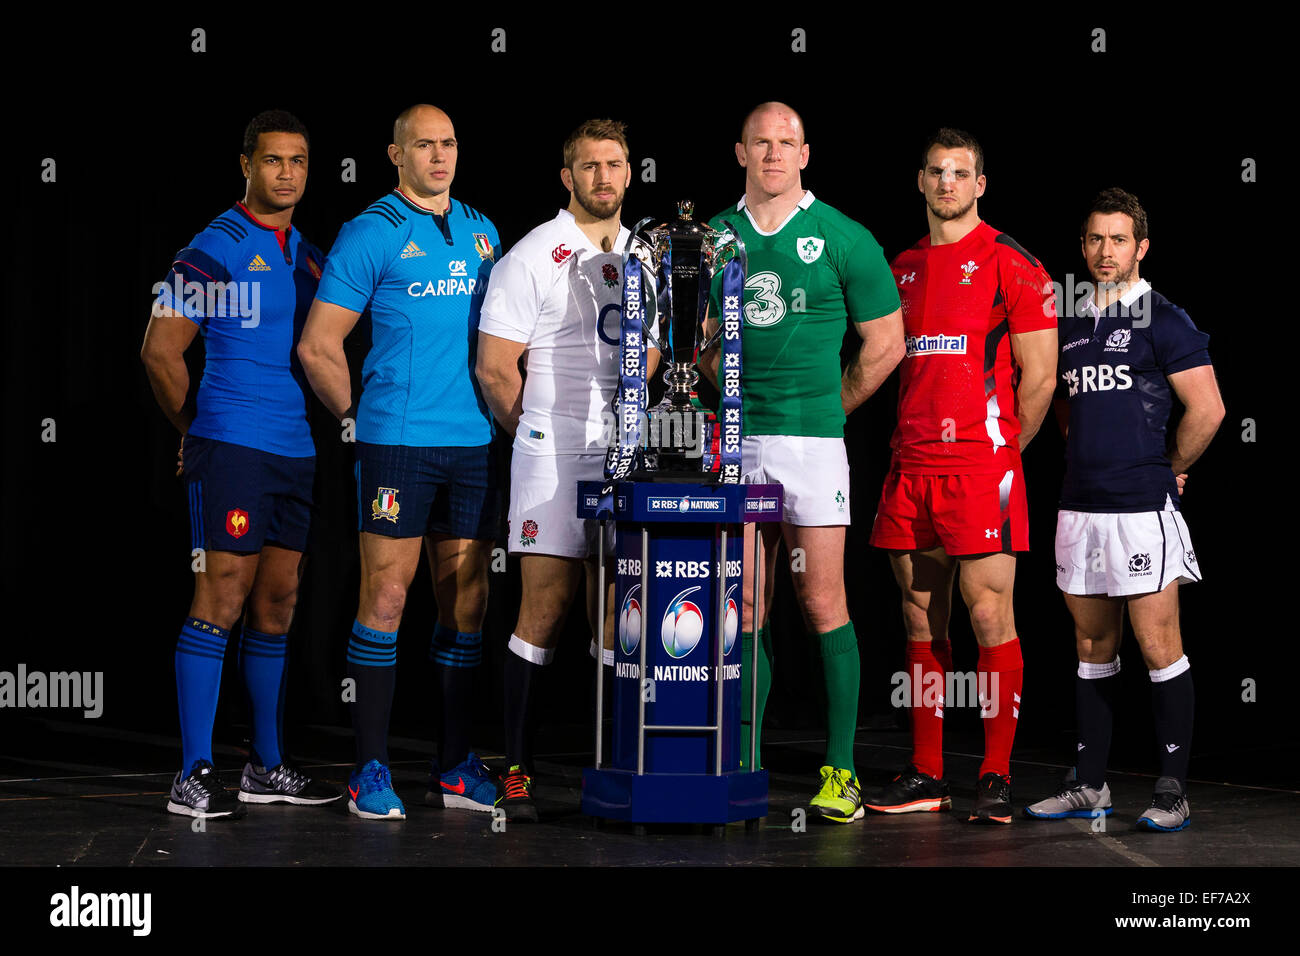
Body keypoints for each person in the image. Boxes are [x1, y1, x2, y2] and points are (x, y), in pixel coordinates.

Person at [297, 105, 501, 821]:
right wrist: (357, 419)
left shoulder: (483, 230)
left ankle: (453, 767)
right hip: (396, 444)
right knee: (386, 599)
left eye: (449, 143)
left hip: (472, 443)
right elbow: (319, 344)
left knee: (467, 603)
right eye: (424, 145)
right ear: (395, 153)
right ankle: (369, 771)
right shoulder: (369, 231)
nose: (440, 156)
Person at [702, 102, 905, 823]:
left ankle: (842, 768)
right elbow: (693, 343)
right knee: (747, 605)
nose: (773, 155)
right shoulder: (714, 238)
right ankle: (747, 759)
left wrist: (833, 409)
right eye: (760, 143)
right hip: (735, 445)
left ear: (806, 154)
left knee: (823, 602)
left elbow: (886, 343)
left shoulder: (845, 237)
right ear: (740, 151)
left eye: (786, 143)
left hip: (814, 446)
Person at [141, 109, 339, 818]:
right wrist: (197, 431)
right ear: (247, 166)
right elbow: (159, 350)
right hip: (233, 449)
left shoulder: (307, 254)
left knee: (278, 605)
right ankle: (192, 772)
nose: (287, 173)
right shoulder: (215, 246)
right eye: (274, 160)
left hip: (295, 453)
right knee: (220, 598)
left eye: (300, 161)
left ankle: (266, 765)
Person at [866, 128, 1058, 824]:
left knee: (988, 615)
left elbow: (1040, 377)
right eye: (936, 172)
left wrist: (1003, 453)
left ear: (980, 185)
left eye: (961, 173)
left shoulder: (1014, 262)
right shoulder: (900, 266)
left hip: (981, 471)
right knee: (920, 617)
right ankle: (926, 773)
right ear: (920, 181)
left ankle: (997, 775)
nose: (947, 183)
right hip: (910, 466)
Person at [476, 118, 660, 822]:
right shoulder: (531, 255)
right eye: (590, 166)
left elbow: (651, 350)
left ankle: (613, 764)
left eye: (615, 164)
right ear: (568, 176)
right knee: (543, 610)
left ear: (630, 172)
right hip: (552, 452)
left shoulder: (646, 252)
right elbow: (496, 369)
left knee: (618, 618)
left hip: (624, 454)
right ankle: (517, 768)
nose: (603, 177)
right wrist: (535, 434)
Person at [1024, 188, 1223, 831]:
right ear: (1082, 246)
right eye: (1093, 239)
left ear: (1141, 247)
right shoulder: (1070, 321)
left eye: (1117, 240)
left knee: (1159, 645)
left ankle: (1171, 792)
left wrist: (1174, 469)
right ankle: (1090, 785)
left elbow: (1210, 409)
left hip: (1141, 508)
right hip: (1079, 506)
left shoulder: (1164, 319)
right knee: (1090, 645)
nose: (1103, 251)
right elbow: (1060, 402)